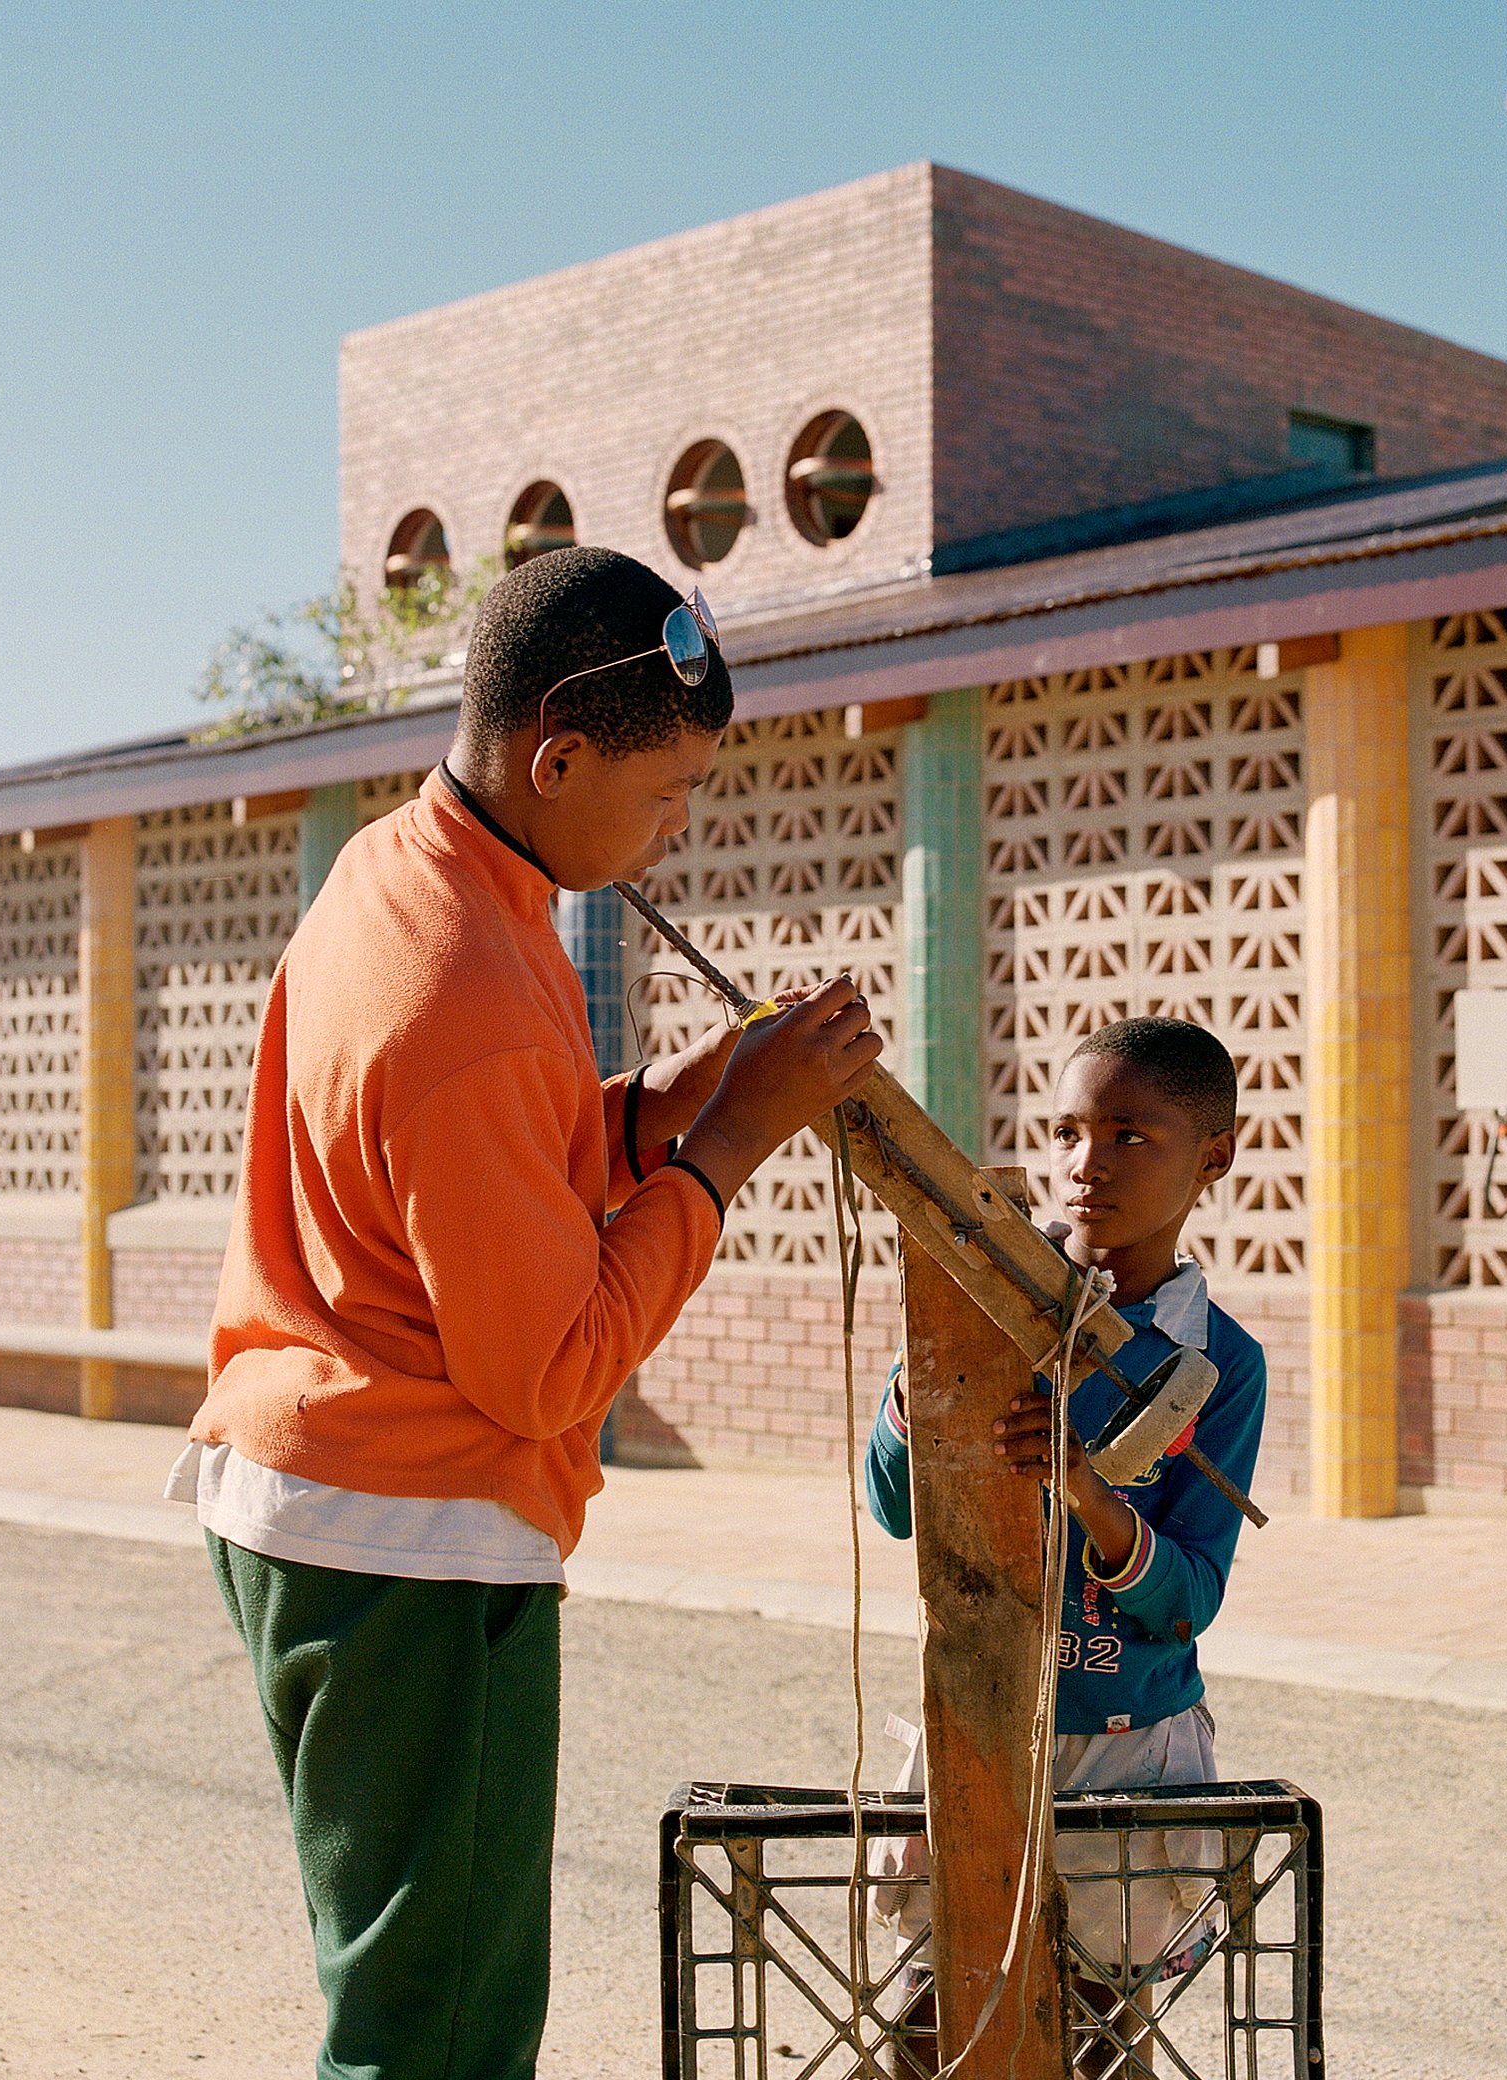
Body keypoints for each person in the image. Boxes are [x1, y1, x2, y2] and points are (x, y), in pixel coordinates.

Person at [166, 545, 883, 2080]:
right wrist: (732, 1148)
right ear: (555, 753)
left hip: (316, 1494)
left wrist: (673, 1102)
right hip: (407, 1537)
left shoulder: (415, 870)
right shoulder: (472, 990)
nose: (677, 826)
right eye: (669, 789)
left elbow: (495, 1172)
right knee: (439, 2032)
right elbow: (550, 1367)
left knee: (402, 1984)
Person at [862, 1015, 1269, 2073]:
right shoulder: (988, 1288)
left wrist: (1086, 1490)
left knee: (1089, 2037)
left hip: (1129, 1740)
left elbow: (1186, 1599)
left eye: (1131, 1135)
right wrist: (928, 1366)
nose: (1087, 1165)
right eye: (1070, 1131)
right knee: (932, 2027)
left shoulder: (1218, 1363)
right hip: (976, 1709)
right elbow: (893, 1504)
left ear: (1212, 1157)